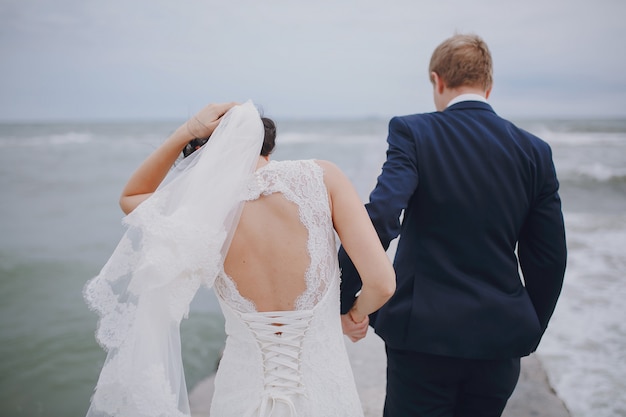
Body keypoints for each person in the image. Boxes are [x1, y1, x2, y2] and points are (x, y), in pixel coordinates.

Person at [84, 100, 395, 417]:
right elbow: (382, 284)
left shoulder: (199, 211)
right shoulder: (322, 177)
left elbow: (130, 197)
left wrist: (186, 131)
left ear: (202, 160)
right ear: (266, 146)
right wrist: (351, 314)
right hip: (324, 394)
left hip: (240, 396)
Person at [339, 34, 567, 416]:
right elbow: (549, 258)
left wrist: (346, 302)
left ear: (437, 80)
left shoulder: (413, 132)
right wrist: (527, 328)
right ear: (488, 87)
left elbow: (380, 216)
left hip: (422, 341)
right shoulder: (535, 152)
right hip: (498, 343)